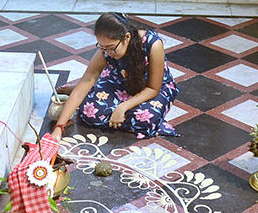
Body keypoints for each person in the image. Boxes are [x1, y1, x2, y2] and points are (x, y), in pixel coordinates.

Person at [50, 13, 179, 140]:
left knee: (147, 118)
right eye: (102, 48)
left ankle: (94, 91)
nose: (108, 53)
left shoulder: (153, 44)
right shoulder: (106, 50)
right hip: (119, 81)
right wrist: (59, 127)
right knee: (89, 111)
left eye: (111, 48)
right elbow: (81, 89)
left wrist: (122, 107)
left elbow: (153, 89)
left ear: (127, 37)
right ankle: (92, 90)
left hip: (152, 88)